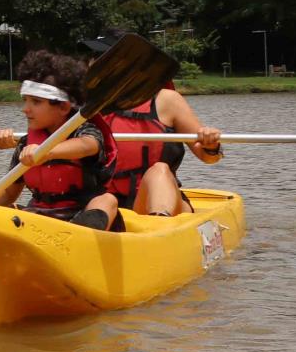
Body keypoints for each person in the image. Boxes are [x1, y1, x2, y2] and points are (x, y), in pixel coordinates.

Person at [82, 36, 222, 217]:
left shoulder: (167, 100)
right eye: (93, 56)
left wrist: (210, 146)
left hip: (153, 197)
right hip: (107, 203)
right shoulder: (85, 105)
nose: (92, 62)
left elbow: (208, 157)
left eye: (101, 56)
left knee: (159, 170)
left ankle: (160, 225)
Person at [0, 49, 117, 230]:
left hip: (80, 215)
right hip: (41, 217)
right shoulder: (26, 144)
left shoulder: (86, 131)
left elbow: (88, 145)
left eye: (36, 102)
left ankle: (81, 244)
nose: (26, 109)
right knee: (6, 212)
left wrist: (44, 152)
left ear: (63, 107)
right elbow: (9, 194)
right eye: (26, 100)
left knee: (107, 200)